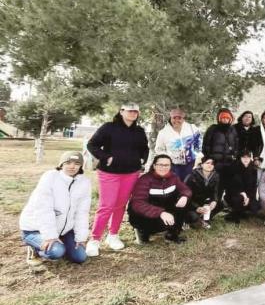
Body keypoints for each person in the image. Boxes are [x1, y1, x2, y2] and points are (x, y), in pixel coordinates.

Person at [86, 103, 149, 256]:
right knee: (107, 206)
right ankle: (95, 239)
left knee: (120, 205)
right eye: (130, 110)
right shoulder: (109, 127)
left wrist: (142, 160)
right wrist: (106, 157)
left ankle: (113, 235)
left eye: (136, 111)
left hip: (131, 173)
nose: (133, 113)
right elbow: (92, 145)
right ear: (121, 111)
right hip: (110, 173)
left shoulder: (139, 131)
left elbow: (144, 148)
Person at [19, 152, 91, 265]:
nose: (72, 166)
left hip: (63, 230)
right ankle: (34, 247)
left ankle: (61, 243)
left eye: (77, 163)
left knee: (80, 256)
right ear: (61, 164)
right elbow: (44, 209)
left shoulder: (84, 182)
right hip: (35, 228)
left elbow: (82, 212)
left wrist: (80, 238)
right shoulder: (50, 177)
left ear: (81, 166)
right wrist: (50, 236)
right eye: (68, 162)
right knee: (56, 252)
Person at [128, 154, 192, 244]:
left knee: (185, 201)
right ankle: (142, 232)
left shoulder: (173, 177)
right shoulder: (145, 180)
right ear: (154, 165)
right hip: (147, 214)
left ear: (170, 166)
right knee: (140, 217)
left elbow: (185, 189)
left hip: (164, 210)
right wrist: (160, 213)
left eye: (167, 165)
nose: (163, 167)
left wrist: (185, 196)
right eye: (160, 165)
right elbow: (138, 204)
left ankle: (171, 234)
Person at [202, 108, 239, 214]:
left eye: (227, 118)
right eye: (223, 118)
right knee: (216, 187)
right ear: (219, 118)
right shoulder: (212, 129)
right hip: (216, 164)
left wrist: (234, 156)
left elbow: (236, 145)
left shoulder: (233, 130)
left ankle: (227, 206)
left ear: (230, 119)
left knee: (229, 185)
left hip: (229, 164)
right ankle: (212, 208)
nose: (225, 120)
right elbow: (206, 145)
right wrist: (210, 159)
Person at [155, 108, 202, 181]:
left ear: (183, 119)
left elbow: (199, 144)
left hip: (191, 164)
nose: (176, 120)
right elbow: (158, 149)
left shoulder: (192, 128)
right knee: (176, 186)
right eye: (174, 118)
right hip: (174, 165)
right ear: (171, 118)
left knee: (189, 185)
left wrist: (197, 157)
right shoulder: (163, 132)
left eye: (179, 118)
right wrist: (168, 157)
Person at [224, 150, 260, 224]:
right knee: (238, 199)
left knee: (255, 207)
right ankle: (235, 214)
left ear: (251, 158)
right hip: (234, 194)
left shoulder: (253, 170)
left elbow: (253, 187)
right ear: (240, 158)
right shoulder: (234, 168)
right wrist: (242, 193)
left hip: (248, 195)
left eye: (248, 157)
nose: (246, 159)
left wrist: (248, 197)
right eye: (244, 157)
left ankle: (241, 212)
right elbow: (229, 186)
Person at [183, 156, 219, 229]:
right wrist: (196, 207)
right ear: (202, 164)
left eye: (212, 164)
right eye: (207, 163)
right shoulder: (192, 176)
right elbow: (185, 195)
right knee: (193, 216)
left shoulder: (215, 176)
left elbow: (215, 191)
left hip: (204, 202)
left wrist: (214, 201)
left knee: (220, 204)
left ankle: (203, 219)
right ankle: (190, 220)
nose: (210, 165)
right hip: (191, 203)